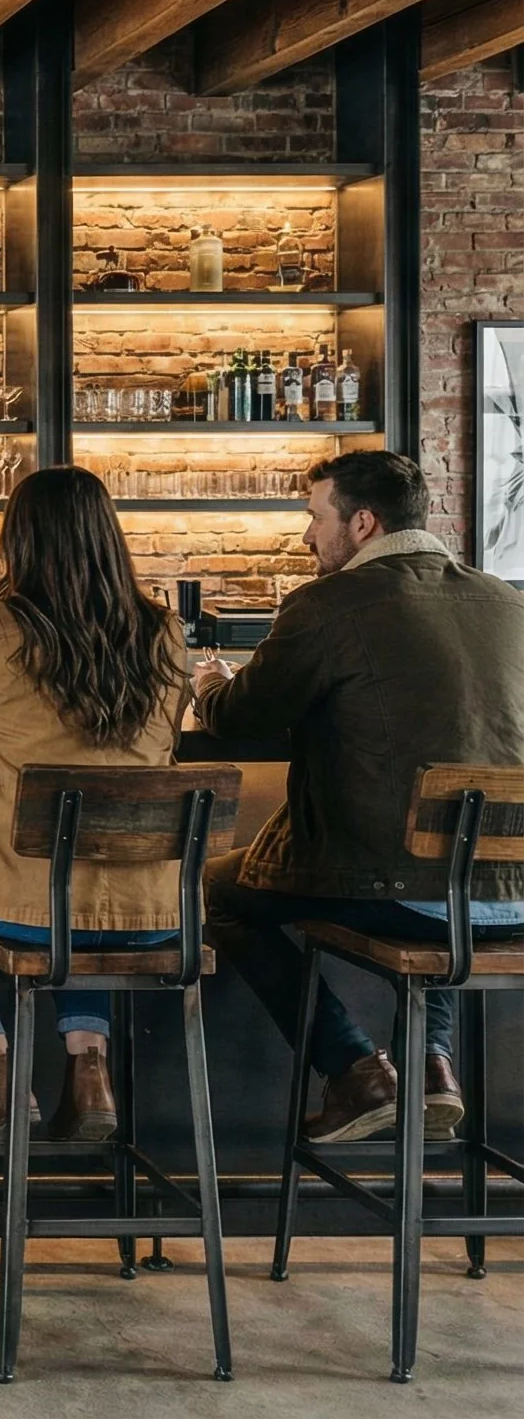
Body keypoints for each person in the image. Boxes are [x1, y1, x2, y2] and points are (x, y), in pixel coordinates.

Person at [198, 450, 524, 1145]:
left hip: (395, 888)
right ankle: (432, 1066)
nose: (307, 537)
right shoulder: (507, 602)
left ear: (364, 522)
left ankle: (354, 1069)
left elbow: (239, 717)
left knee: (210, 892)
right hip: (515, 891)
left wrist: (205, 687)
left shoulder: (325, 604)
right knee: (447, 870)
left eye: (315, 517)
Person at [0, 468, 191, 1145]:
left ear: (17, 541)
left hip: (19, 908)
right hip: (153, 912)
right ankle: (89, 1067)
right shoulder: (166, 632)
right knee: (82, 889)